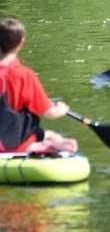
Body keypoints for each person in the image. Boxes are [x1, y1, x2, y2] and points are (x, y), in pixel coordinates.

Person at [0, 18, 78, 154]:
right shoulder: (25, 75)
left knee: (47, 134)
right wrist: (62, 109)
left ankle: (42, 144)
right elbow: (49, 113)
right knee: (51, 136)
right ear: (20, 43)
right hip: (13, 145)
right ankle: (36, 147)